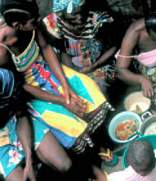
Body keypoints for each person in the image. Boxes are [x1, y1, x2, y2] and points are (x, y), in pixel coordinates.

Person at [0, 0, 113, 154]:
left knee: (87, 91)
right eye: (34, 21)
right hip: (32, 90)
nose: (39, 20)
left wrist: (66, 86)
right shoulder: (2, 50)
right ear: (17, 25)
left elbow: (46, 49)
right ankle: (92, 155)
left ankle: (103, 145)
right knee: (66, 120)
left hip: (50, 69)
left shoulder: (33, 25)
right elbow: (22, 86)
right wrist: (63, 101)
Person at [0, 67, 72, 180]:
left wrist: (29, 156)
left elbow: (21, 115)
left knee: (64, 164)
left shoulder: (4, 78)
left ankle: (37, 161)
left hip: (13, 121)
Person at [42, 0, 118, 93]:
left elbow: (113, 46)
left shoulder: (98, 19)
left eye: (82, 11)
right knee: (66, 87)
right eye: (74, 14)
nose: (80, 17)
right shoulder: (54, 22)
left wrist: (94, 66)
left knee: (99, 88)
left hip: (98, 62)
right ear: (61, 14)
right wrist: (73, 71)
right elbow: (61, 50)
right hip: (71, 61)